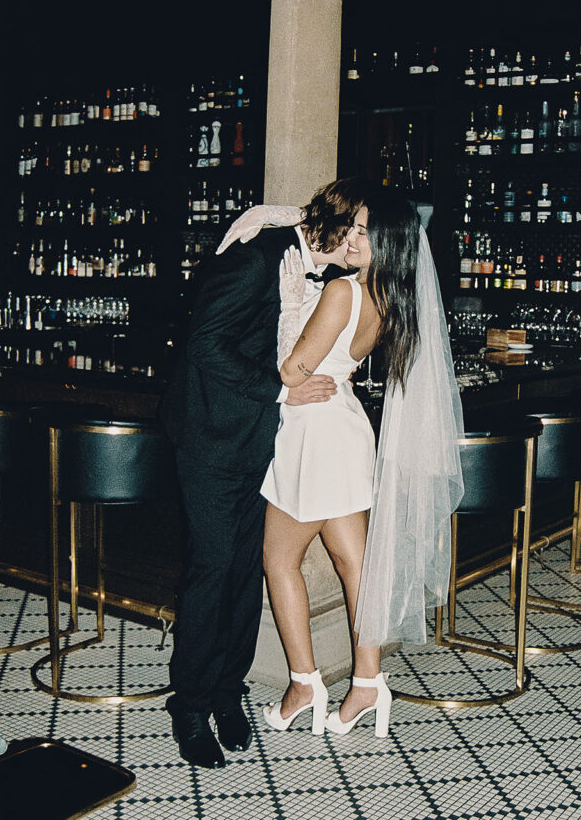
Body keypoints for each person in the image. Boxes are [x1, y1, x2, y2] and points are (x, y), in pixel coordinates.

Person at [229, 187, 464, 739]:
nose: (352, 240)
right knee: (357, 565)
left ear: (388, 242)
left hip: (314, 431)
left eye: (364, 232)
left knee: (279, 560)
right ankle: (366, 682)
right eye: (353, 228)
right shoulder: (390, 297)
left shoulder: (341, 290)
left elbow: (292, 372)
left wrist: (291, 306)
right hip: (346, 426)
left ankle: (304, 681)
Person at [159, 177, 365, 769]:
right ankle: (191, 704)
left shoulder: (320, 269)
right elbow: (205, 344)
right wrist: (279, 388)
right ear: (332, 225)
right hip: (210, 433)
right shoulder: (257, 259)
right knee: (212, 567)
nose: (360, 241)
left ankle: (228, 690)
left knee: (248, 570)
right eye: (356, 229)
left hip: (262, 438)